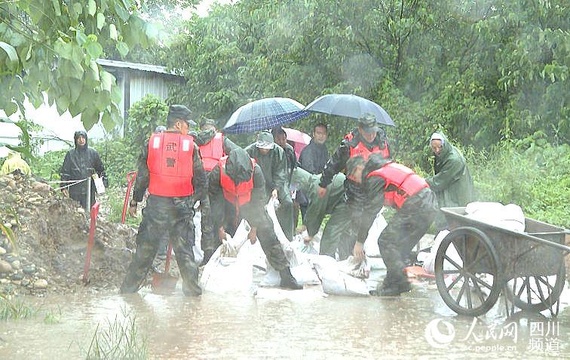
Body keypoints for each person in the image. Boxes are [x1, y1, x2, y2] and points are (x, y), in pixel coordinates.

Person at [120, 105, 207, 296]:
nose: (188, 129)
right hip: (181, 208)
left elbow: (143, 176)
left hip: (156, 208)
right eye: (186, 125)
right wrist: (190, 202)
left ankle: (127, 294)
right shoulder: (191, 146)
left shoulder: (151, 143)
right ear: (178, 123)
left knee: (144, 253)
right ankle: (193, 299)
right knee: (185, 255)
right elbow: (201, 182)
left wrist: (135, 201)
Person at [208, 148, 302, 289]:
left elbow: (258, 202)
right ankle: (212, 274)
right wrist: (220, 226)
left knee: (268, 234)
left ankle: (285, 275)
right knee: (218, 237)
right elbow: (215, 201)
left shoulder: (256, 172)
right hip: (228, 205)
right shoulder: (217, 172)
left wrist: (254, 228)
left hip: (249, 205)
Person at [348, 154, 437, 296]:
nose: (357, 182)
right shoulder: (385, 167)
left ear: (359, 168)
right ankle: (393, 284)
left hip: (417, 203)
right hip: (428, 203)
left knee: (386, 241)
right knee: (398, 247)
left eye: (354, 177)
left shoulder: (374, 177)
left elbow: (371, 211)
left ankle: (399, 282)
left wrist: (360, 241)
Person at [193, 118, 240, 265]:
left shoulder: (194, 138)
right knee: (216, 215)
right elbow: (238, 153)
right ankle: (214, 252)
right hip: (215, 182)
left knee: (207, 218)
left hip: (203, 181)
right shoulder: (222, 139)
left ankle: (209, 253)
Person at [317, 113, 390, 199]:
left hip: (376, 191)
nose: (371, 135)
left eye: (373, 131)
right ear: (360, 129)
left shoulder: (383, 142)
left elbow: (389, 165)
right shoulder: (349, 145)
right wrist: (323, 184)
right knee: (354, 211)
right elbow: (334, 164)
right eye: (367, 132)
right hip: (355, 192)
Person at [290, 167, 350, 258]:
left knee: (330, 235)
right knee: (344, 235)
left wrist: (310, 234)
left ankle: (326, 262)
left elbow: (317, 210)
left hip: (347, 201)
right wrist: (305, 225)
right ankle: (345, 259)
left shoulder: (316, 186)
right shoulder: (317, 180)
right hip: (348, 199)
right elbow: (313, 209)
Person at [245, 131, 294, 241]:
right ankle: (259, 235)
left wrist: (276, 189)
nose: (264, 150)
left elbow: (281, 172)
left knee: (288, 203)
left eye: (267, 148)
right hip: (257, 185)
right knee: (255, 205)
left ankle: (288, 237)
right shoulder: (249, 151)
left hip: (276, 183)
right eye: (262, 147)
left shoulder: (279, 152)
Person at [426, 132, 475, 231]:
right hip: (451, 190)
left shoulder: (454, 160)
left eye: (439, 147)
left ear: (444, 144)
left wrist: (422, 182)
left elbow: (440, 181)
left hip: (457, 194)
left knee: (450, 221)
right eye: (434, 148)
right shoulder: (444, 154)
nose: (437, 150)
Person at [60, 130, 107, 211]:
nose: (81, 140)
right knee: (75, 211)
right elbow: (65, 172)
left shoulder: (93, 153)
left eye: (83, 137)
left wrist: (103, 183)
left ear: (86, 139)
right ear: (75, 140)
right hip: (75, 189)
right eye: (79, 138)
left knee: (89, 211)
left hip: (89, 188)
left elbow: (101, 170)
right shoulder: (70, 154)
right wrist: (63, 187)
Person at [297, 123, 329, 220]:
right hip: (307, 192)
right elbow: (309, 173)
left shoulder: (324, 150)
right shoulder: (308, 151)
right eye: (318, 133)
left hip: (318, 190)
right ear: (313, 134)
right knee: (308, 223)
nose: (321, 136)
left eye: (323, 133)